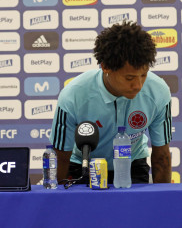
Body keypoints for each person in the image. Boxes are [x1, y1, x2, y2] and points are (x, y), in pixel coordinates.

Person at [49, 21, 172, 184]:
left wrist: (162, 202)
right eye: (129, 78)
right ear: (105, 67)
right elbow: (61, 157)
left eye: (143, 75)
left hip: (132, 166)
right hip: (82, 166)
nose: (138, 86)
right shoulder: (73, 95)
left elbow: (161, 156)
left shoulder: (158, 91)